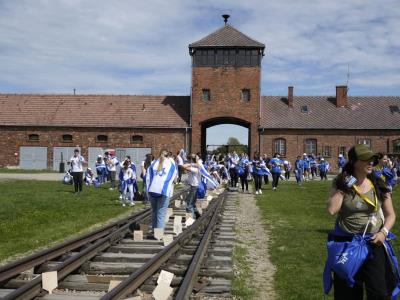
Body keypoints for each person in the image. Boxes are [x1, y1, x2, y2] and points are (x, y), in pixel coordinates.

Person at [325, 144, 397, 299]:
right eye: (366, 159)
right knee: (347, 294)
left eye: (373, 159)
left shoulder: (379, 183)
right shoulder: (341, 182)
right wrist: (343, 187)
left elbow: (391, 215)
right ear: (354, 162)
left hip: (373, 243)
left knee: (379, 293)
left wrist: (383, 233)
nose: (371, 162)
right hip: (347, 245)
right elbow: (332, 210)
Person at [146, 149, 177, 231]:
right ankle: (158, 235)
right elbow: (175, 179)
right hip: (163, 191)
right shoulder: (171, 164)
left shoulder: (153, 164)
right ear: (168, 156)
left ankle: (154, 230)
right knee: (161, 214)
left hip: (152, 191)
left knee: (154, 212)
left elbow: (147, 177)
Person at [182, 154, 201, 219]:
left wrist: (191, 164)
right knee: (192, 202)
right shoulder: (197, 166)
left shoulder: (195, 168)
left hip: (194, 186)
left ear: (191, 160)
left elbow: (183, 166)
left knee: (189, 204)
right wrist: (194, 163)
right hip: (194, 186)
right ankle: (197, 215)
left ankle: (192, 218)